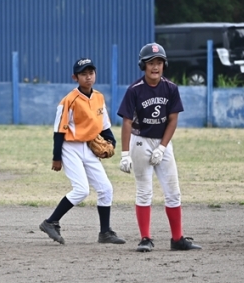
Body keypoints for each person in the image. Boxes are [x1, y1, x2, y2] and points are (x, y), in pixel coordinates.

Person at [116, 43, 201, 252]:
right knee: (144, 191)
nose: (155, 67)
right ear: (143, 65)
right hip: (140, 141)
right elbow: (127, 122)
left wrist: (162, 147)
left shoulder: (170, 88)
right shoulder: (134, 90)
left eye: (159, 62)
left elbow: (173, 120)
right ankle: (145, 238)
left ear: (164, 65)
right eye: (151, 63)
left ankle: (177, 239)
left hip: (162, 142)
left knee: (173, 192)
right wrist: (125, 154)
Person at [39, 58, 125, 245]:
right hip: (70, 147)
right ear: (75, 77)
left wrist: (111, 142)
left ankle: (105, 232)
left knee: (106, 189)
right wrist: (56, 157)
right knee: (81, 190)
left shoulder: (99, 97)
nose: (88, 77)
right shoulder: (69, 100)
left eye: (91, 73)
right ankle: (50, 222)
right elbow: (59, 130)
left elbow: (104, 125)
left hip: (89, 147)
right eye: (83, 74)